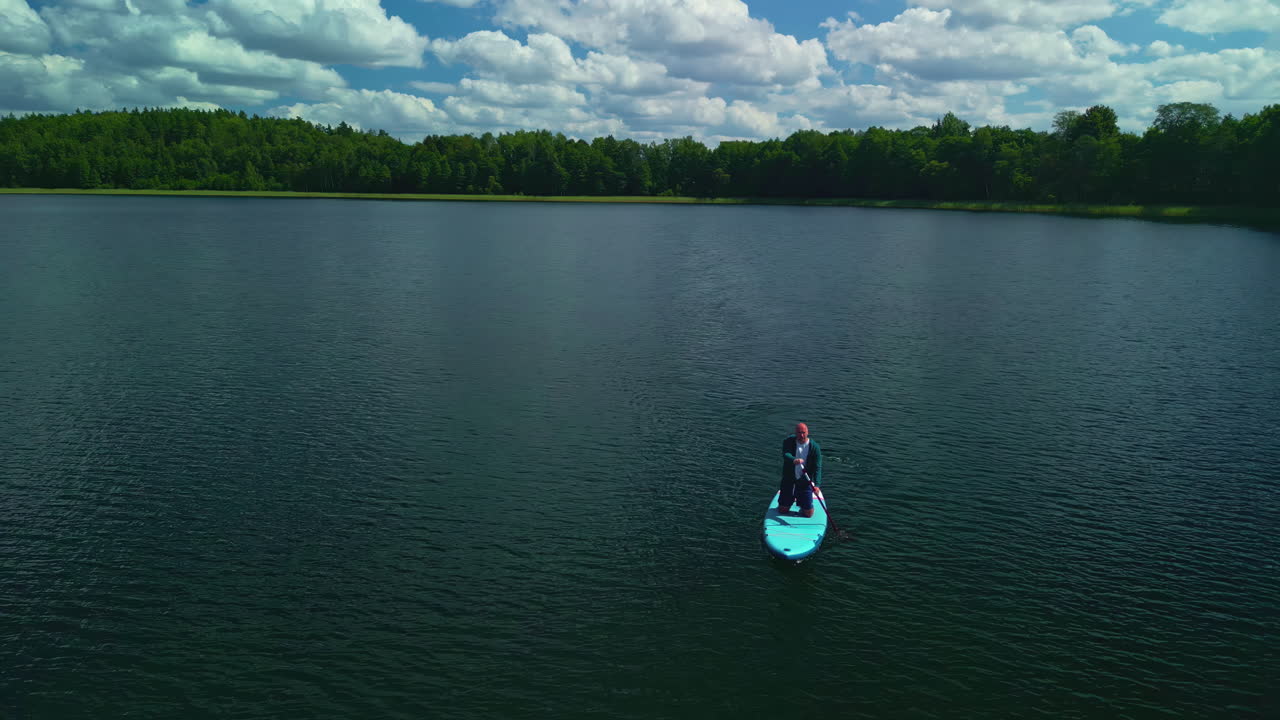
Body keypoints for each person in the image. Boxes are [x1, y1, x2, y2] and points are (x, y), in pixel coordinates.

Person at [779, 422, 822, 517]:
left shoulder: (815, 447)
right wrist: (793, 459)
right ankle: (790, 499)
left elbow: (817, 467)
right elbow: (786, 454)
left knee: (808, 514)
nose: (801, 435)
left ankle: (804, 503)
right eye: (799, 432)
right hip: (789, 479)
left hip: (804, 481)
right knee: (782, 510)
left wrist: (817, 485)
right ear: (795, 433)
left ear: (807, 432)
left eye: (803, 432)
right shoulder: (788, 441)